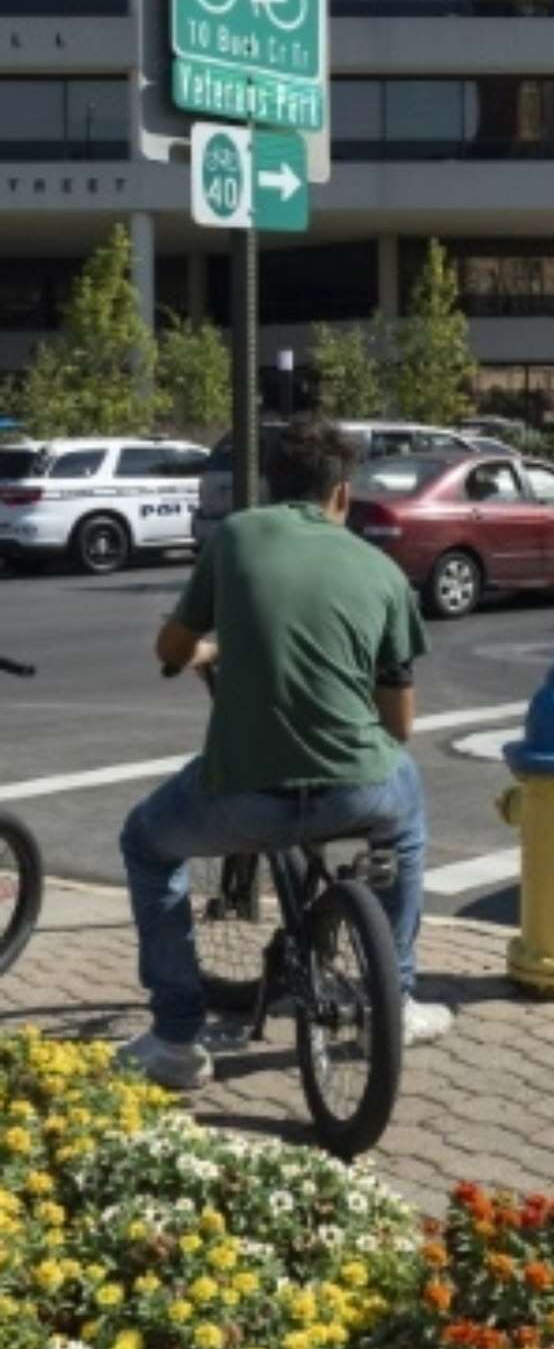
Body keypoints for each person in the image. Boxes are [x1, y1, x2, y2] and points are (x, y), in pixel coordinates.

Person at [119, 415, 452, 1090]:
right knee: (407, 814)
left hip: (245, 791)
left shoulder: (238, 535)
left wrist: (199, 652)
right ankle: (403, 996)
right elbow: (400, 724)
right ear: (342, 494)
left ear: (273, 488)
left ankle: (177, 1041)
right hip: (357, 784)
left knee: (147, 843)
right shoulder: (382, 572)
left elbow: (172, 648)